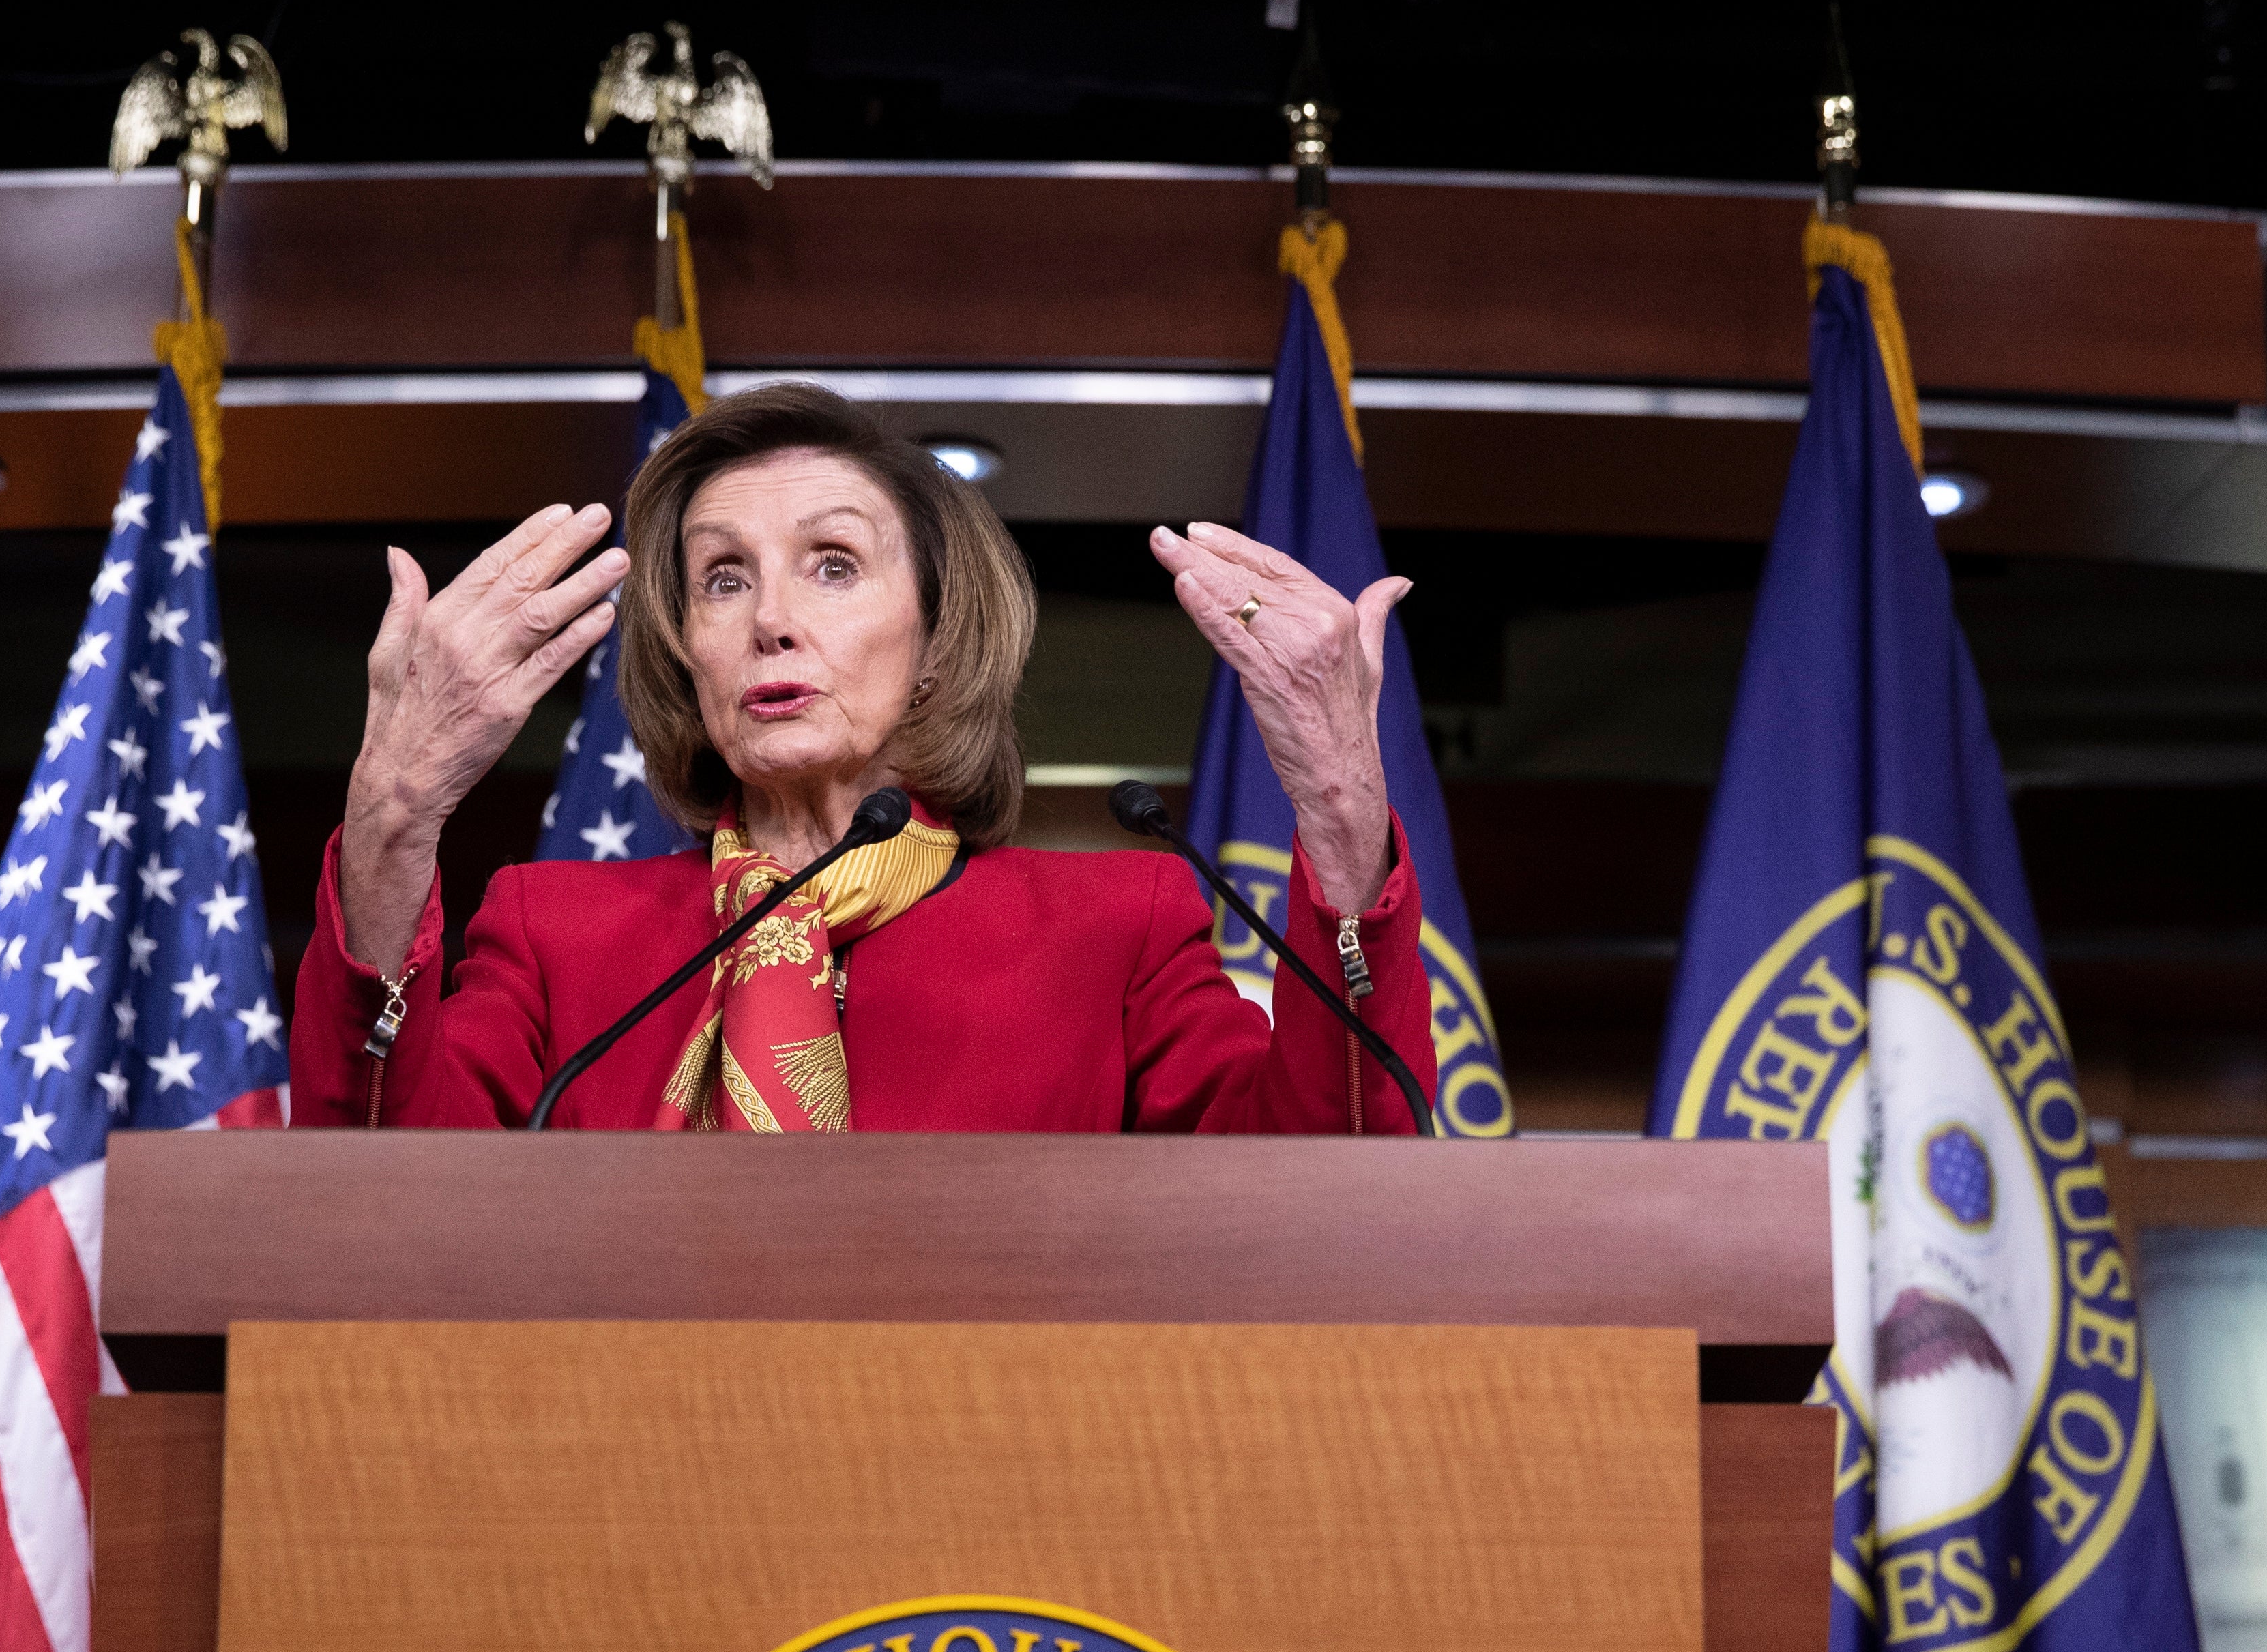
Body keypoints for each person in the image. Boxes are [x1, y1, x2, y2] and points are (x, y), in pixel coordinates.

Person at [295, 381, 1435, 1132]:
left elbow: (1327, 1176)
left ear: (937, 639)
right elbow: (377, 1192)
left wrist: (1340, 803)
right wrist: (394, 815)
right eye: (722, 577)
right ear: (686, 647)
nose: (770, 620)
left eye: (833, 563)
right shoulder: (558, 937)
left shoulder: (1115, 926)